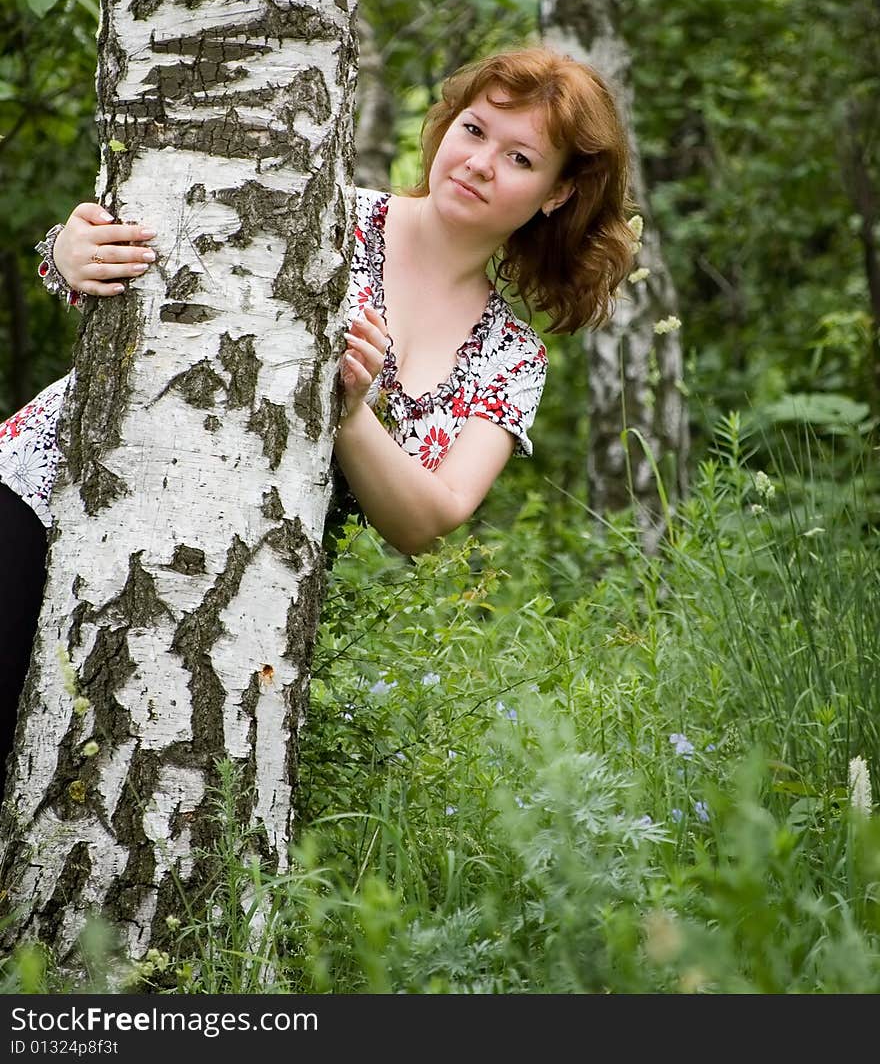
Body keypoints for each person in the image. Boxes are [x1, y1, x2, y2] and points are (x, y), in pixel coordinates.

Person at [0, 45, 636, 791]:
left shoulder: (509, 355)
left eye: (521, 157)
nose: (480, 162)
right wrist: (70, 253)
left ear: (558, 193)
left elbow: (428, 519)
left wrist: (351, 415)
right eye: (473, 129)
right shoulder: (321, 210)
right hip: (48, 484)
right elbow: (165, 279)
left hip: (205, 577)